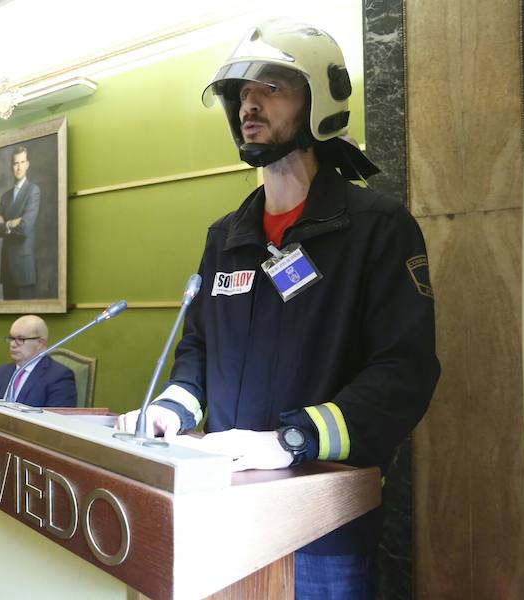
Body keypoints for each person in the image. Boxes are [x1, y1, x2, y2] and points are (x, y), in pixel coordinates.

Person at [116, 19, 440, 598]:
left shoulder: (377, 228)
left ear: (318, 100)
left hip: (323, 529)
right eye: (242, 93)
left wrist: (293, 441)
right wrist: (173, 407)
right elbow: (199, 347)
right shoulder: (227, 237)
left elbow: (404, 371)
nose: (249, 105)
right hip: (225, 511)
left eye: (271, 88)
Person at [0, 315, 76, 407]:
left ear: (40, 343)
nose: (13, 344)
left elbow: (56, 419)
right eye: (11, 338)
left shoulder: (59, 377)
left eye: (20, 339)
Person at [0, 145, 41, 300]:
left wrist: (4, 225)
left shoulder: (33, 190)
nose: (18, 167)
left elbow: (25, 228)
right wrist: (10, 224)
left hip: (24, 269)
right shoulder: (5, 197)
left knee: (26, 322)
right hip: (7, 269)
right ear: (11, 166)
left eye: (22, 162)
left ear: (27, 164)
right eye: (15, 163)